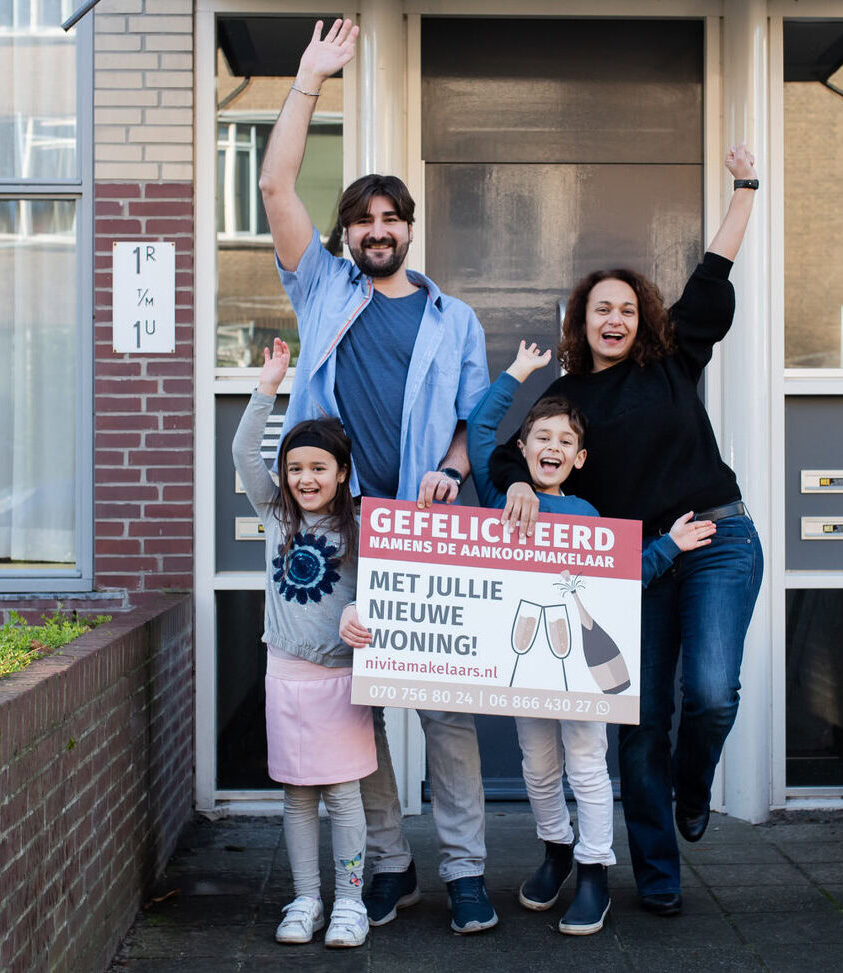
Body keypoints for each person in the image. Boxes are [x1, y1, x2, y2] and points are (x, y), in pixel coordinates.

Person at [260, 19, 495, 935]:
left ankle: (467, 870)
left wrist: (449, 466)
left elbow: (480, 421)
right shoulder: (319, 289)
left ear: (408, 228)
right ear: (346, 235)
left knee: (446, 710)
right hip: (342, 531)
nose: (377, 230)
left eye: (391, 218)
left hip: (426, 533)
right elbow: (277, 181)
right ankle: (389, 863)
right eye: (362, 220)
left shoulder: (454, 318)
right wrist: (311, 79)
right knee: (359, 708)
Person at [488, 146, 764, 918]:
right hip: (634, 565)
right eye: (600, 308)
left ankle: (695, 785)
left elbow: (714, 271)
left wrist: (745, 186)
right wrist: (513, 482)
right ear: (581, 321)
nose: (614, 318)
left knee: (709, 694)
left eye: (627, 308)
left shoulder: (672, 360)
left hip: (716, 541)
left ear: (642, 319)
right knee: (638, 726)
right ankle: (658, 875)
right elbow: (513, 451)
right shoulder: (567, 399)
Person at [463, 340, 716, 935]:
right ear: (522, 450)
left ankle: (594, 869)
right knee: (537, 765)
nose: (551, 448)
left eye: (564, 442)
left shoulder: (586, 514)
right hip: (524, 653)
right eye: (541, 438)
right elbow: (478, 427)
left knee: (587, 766)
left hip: (578, 659)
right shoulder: (501, 500)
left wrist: (668, 546)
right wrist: (518, 373)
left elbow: (623, 577)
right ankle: (555, 848)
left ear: (579, 459)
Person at [232, 337, 375, 949]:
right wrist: (268, 389)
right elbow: (243, 452)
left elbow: (387, 592)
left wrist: (364, 615)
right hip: (285, 675)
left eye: (318, 467)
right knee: (296, 797)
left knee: (343, 796)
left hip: (340, 678)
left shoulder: (361, 525)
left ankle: (350, 904)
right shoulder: (277, 514)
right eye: (295, 469)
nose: (305, 478)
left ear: (341, 472)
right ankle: (307, 899)